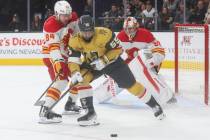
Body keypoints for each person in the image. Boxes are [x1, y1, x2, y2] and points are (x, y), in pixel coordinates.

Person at [68, 15, 166, 126]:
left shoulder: (104, 34)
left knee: (131, 85)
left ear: (93, 28)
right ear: (79, 30)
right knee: (81, 79)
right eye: (83, 32)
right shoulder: (74, 40)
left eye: (89, 31)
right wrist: (74, 71)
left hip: (112, 62)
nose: (86, 34)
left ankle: (154, 105)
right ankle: (90, 114)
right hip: (92, 64)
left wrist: (104, 60)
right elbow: (73, 60)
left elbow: (118, 49)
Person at [117, 16, 176, 103]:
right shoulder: (121, 36)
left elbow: (159, 52)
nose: (128, 31)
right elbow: (115, 53)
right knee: (119, 75)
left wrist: (148, 64)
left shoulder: (145, 34)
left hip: (150, 61)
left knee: (144, 71)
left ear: (136, 27)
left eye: (130, 28)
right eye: (126, 29)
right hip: (132, 63)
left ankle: (166, 95)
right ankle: (101, 94)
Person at [39, 0, 80, 124]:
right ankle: (45, 111)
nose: (67, 18)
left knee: (78, 76)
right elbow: (53, 48)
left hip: (66, 53)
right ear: (56, 14)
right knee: (61, 81)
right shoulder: (50, 25)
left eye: (68, 14)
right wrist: (58, 63)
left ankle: (70, 104)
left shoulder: (73, 17)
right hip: (51, 56)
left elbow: (77, 34)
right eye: (64, 15)